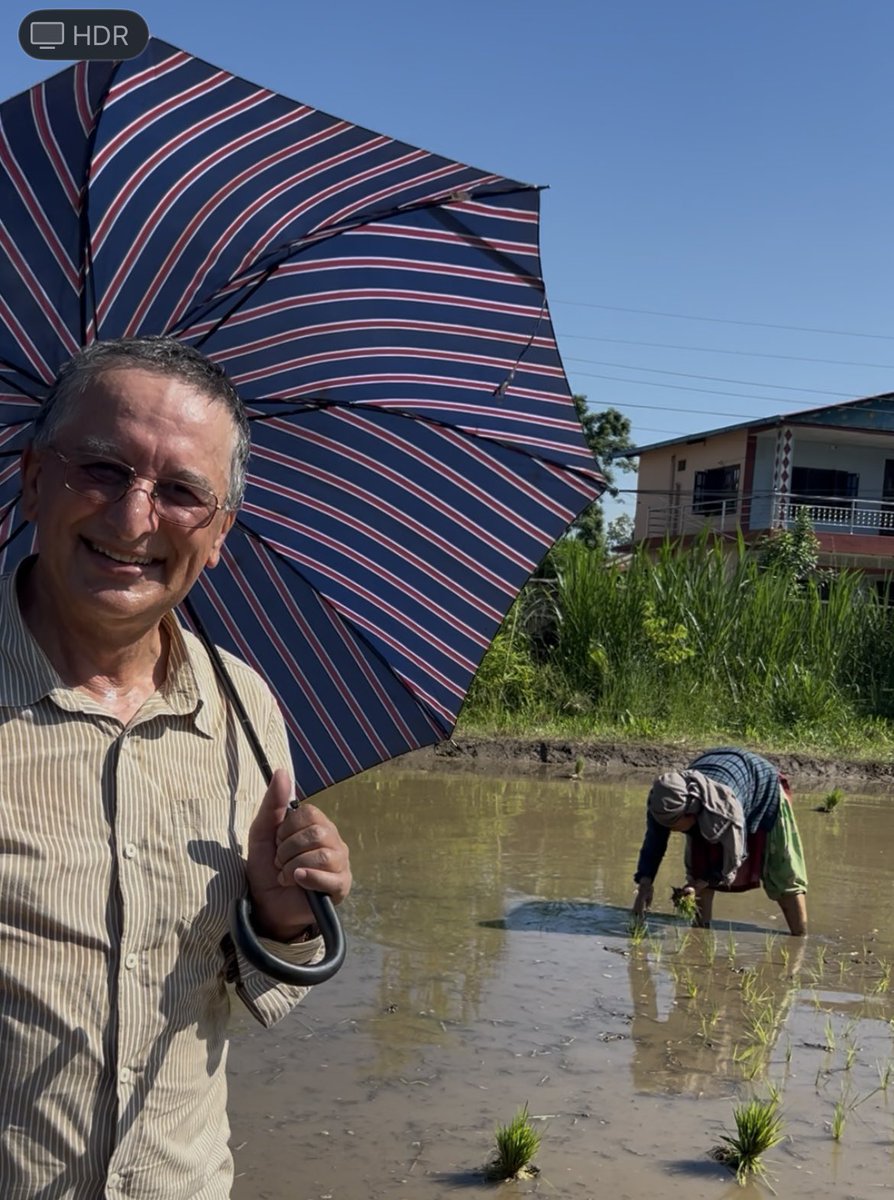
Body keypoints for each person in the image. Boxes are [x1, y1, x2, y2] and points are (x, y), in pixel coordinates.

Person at [0, 337, 352, 1198]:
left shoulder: (246, 710)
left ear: (221, 530)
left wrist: (284, 919)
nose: (132, 520)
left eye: (183, 492)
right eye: (103, 469)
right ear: (34, 478)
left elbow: (255, 992)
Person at [631, 746, 807, 935]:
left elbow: (735, 855)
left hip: (760, 784)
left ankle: (800, 938)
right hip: (718, 777)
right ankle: (700, 936)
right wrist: (644, 885)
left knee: (783, 873)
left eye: (673, 824)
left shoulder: (724, 809)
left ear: (690, 812)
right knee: (697, 866)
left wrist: (702, 883)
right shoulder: (664, 801)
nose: (669, 830)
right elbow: (653, 843)